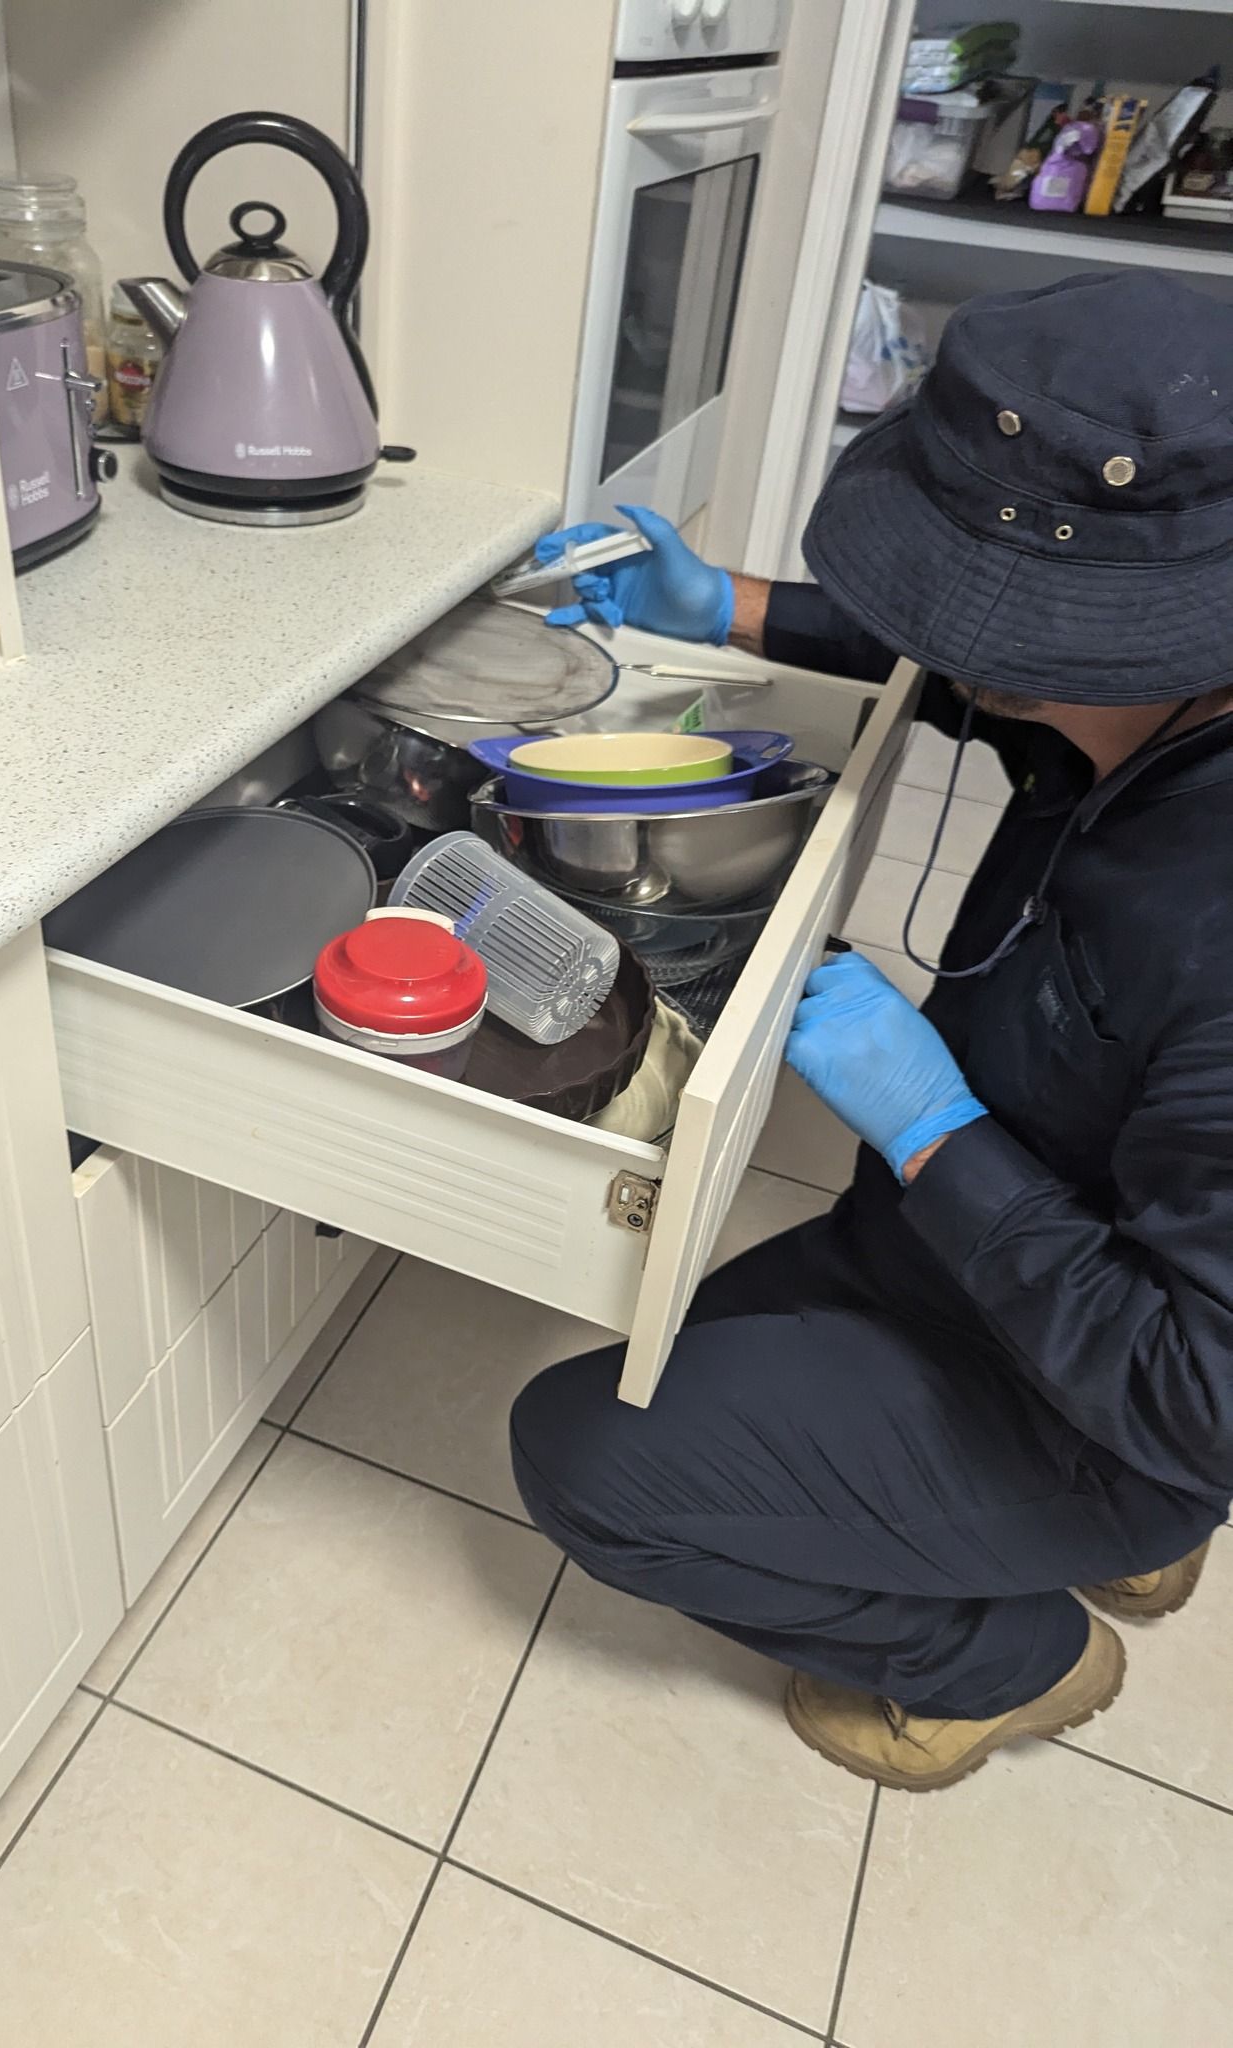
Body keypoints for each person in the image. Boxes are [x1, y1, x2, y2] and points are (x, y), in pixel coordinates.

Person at [509, 268, 1233, 1792]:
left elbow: (1198, 1396)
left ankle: (1011, 1656)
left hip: (1116, 1404)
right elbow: (984, 679)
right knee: (689, 1353)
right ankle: (1109, 1545)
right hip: (987, 1246)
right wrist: (732, 608)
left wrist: (932, 1130)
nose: (940, 631)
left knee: (584, 1457)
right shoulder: (1163, 700)